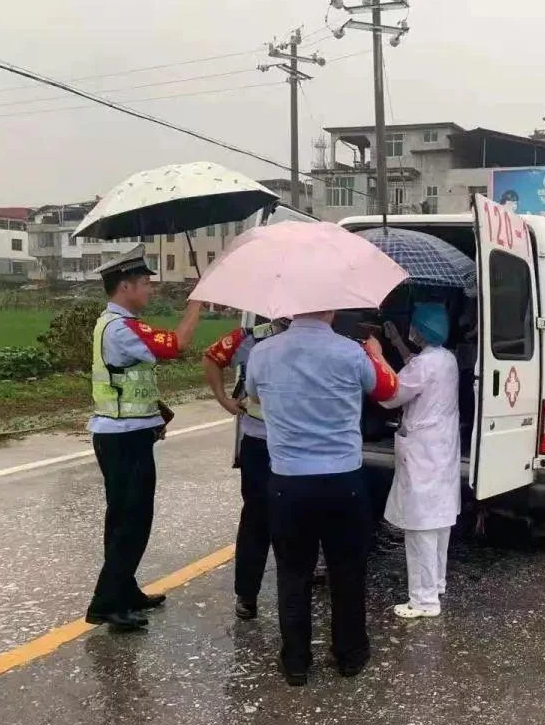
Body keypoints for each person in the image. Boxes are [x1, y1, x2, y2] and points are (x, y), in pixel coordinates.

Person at [245, 311, 397, 686]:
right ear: (330, 310)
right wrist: (376, 352)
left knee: (293, 573)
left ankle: (296, 661)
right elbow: (387, 392)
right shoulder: (350, 352)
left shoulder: (263, 353)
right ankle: (350, 654)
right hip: (343, 480)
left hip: (288, 482)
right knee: (347, 570)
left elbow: (252, 394)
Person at [86, 244, 203, 631]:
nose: (151, 291)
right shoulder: (121, 328)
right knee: (132, 521)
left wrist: (157, 412)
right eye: (145, 284)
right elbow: (177, 345)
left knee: (121, 519)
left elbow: (131, 380)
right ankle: (106, 604)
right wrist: (197, 303)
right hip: (123, 439)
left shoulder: (112, 324)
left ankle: (124, 589)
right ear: (125, 286)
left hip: (125, 432)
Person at [369, 303, 460, 619]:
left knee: (420, 525)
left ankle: (423, 601)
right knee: (439, 521)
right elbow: (415, 367)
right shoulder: (445, 359)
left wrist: (377, 357)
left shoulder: (423, 367)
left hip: (422, 451)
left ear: (420, 329)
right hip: (441, 449)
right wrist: (396, 342)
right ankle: (435, 584)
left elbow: (391, 394)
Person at [202, 319, 290, 621]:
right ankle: (247, 594)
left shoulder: (315, 339)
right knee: (256, 517)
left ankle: (294, 587)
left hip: (296, 444)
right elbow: (211, 357)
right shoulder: (249, 338)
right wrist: (224, 399)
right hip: (259, 440)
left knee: (296, 516)